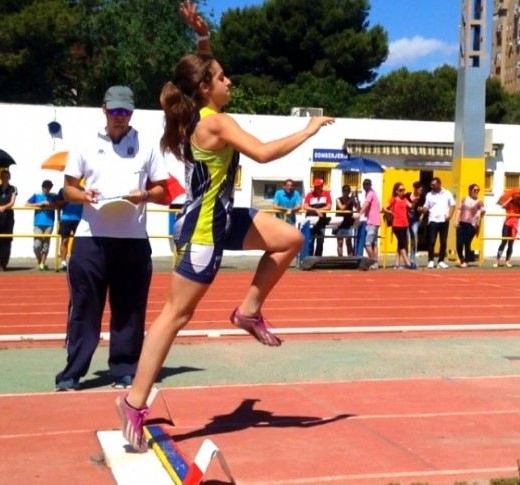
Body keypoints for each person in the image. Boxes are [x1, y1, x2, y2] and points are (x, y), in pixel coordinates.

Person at [115, 46, 334, 450]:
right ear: (204, 87)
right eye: (221, 76)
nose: (229, 80)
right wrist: (308, 129)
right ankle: (133, 401)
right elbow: (265, 154)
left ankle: (248, 311)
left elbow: (198, 69)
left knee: (290, 239)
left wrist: (202, 38)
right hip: (202, 230)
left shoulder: (198, 114)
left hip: (224, 217)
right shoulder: (216, 123)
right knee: (173, 317)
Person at [53, 83, 170, 392]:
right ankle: (73, 371)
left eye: (126, 111)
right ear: (104, 109)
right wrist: (83, 194)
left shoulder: (147, 145)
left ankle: (125, 368)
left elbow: (163, 191)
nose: (120, 117)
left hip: (132, 238)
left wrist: (144, 194)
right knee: (84, 308)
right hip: (92, 238)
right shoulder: (84, 143)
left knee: (130, 308)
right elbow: (68, 189)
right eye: (115, 110)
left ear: (132, 113)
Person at [421, 177, 455, 269]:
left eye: (434, 185)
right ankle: (431, 260)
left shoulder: (447, 193)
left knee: (443, 241)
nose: (432, 186)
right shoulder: (429, 195)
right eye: (431, 185)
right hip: (432, 220)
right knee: (431, 241)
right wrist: (423, 209)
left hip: (444, 220)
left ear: (439, 184)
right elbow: (426, 206)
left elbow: (452, 205)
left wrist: (449, 215)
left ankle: (441, 261)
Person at [26, 180, 58, 271]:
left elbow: (58, 205)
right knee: (37, 245)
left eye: (49, 187)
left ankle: (42, 264)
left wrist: (50, 204)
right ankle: (40, 262)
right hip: (38, 223)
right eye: (46, 187)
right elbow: (27, 205)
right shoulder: (37, 195)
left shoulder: (53, 196)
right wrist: (39, 204)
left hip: (49, 223)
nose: (47, 189)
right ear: (42, 187)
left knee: (46, 245)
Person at [453, 183, 485, 268]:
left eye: (478, 190)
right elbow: (459, 209)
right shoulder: (465, 199)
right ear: (470, 190)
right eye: (475, 190)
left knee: (467, 242)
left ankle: (466, 261)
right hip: (462, 223)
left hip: (472, 224)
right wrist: (456, 220)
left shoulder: (479, 201)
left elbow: (483, 210)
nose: (476, 192)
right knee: (459, 243)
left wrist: (480, 212)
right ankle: (462, 259)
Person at [55, 186, 84, 272]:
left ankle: (78, 262)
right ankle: (63, 263)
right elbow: (57, 204)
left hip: (79, 219)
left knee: (79, 242)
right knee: (64, 241)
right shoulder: (63, 190)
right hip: (66, 219)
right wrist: (67, 200)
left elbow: (86, 203)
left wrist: (80, 200)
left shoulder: (82, 190)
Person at [384, 182, 412, 269]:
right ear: (396, 191)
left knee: (400, 244)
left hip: (405, 224)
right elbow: (385, 207)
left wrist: (415, 200)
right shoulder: (393, 199)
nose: (402, 191)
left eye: (403, 190)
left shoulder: (405, 199)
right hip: (397, 224)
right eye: (400, 190)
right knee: (402, 243)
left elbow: (411, 206)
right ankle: (407, 262)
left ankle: (396, 264)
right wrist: (389, 212)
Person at [303, 178, 332, 257]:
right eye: (315, 186)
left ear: (321, 186)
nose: (316, 188)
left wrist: (319, 210)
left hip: (321, 220)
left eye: (318, 186)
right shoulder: (309, 194)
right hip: (310, 220)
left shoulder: (326, 194)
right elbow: (305, 206)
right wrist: (316, 210)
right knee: (310, 240)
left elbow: (329, 206)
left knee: (320, 240)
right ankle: (309, 257)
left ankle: (318, 259)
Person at [493, 192, 520, 268]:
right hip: (507, 224)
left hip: (515, 226)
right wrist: (510, 199)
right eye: (517, 197)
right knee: (504, 242)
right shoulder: (510, 203)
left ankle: (507, 261)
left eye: (519, 197)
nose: (518, 198)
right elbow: (503, 206)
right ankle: (497, 260)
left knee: (511, 244)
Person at [358, 178, 382, 269]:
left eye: (367, 184)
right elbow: (365, 206)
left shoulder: (370, 193)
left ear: (370, 185)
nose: (366, 186)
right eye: (364, 184)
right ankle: (375, 262)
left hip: (372, 221)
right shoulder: (370, 193)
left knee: (367, 243)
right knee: (374, 243)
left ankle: (372, 261)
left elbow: (366, 204)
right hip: (375, 221)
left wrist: (359, 214)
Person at [335, 184, 360, 257]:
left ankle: (350, 259)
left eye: (348, 190)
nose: (346, 192)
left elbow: (358, 208)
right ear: (342, 191)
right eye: (345, 190)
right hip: (339, 222)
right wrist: (350, 199)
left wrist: (357, 199)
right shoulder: (338, 199)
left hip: (348, 222)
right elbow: (342, 208)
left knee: (348, 242)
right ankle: (340, 259)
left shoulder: (351, 200)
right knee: (340, 242)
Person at [406, 181, 423, 268]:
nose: (421, 191)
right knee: (405, 239)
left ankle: (412, 260)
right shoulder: (407, 195)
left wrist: (422, 214)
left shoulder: (422, 198)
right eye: (420, 189)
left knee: (414, 238)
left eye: (421, 189)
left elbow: (423, 208)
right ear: (415, 189)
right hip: (406, 219)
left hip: (415, 220)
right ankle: (405, 259)